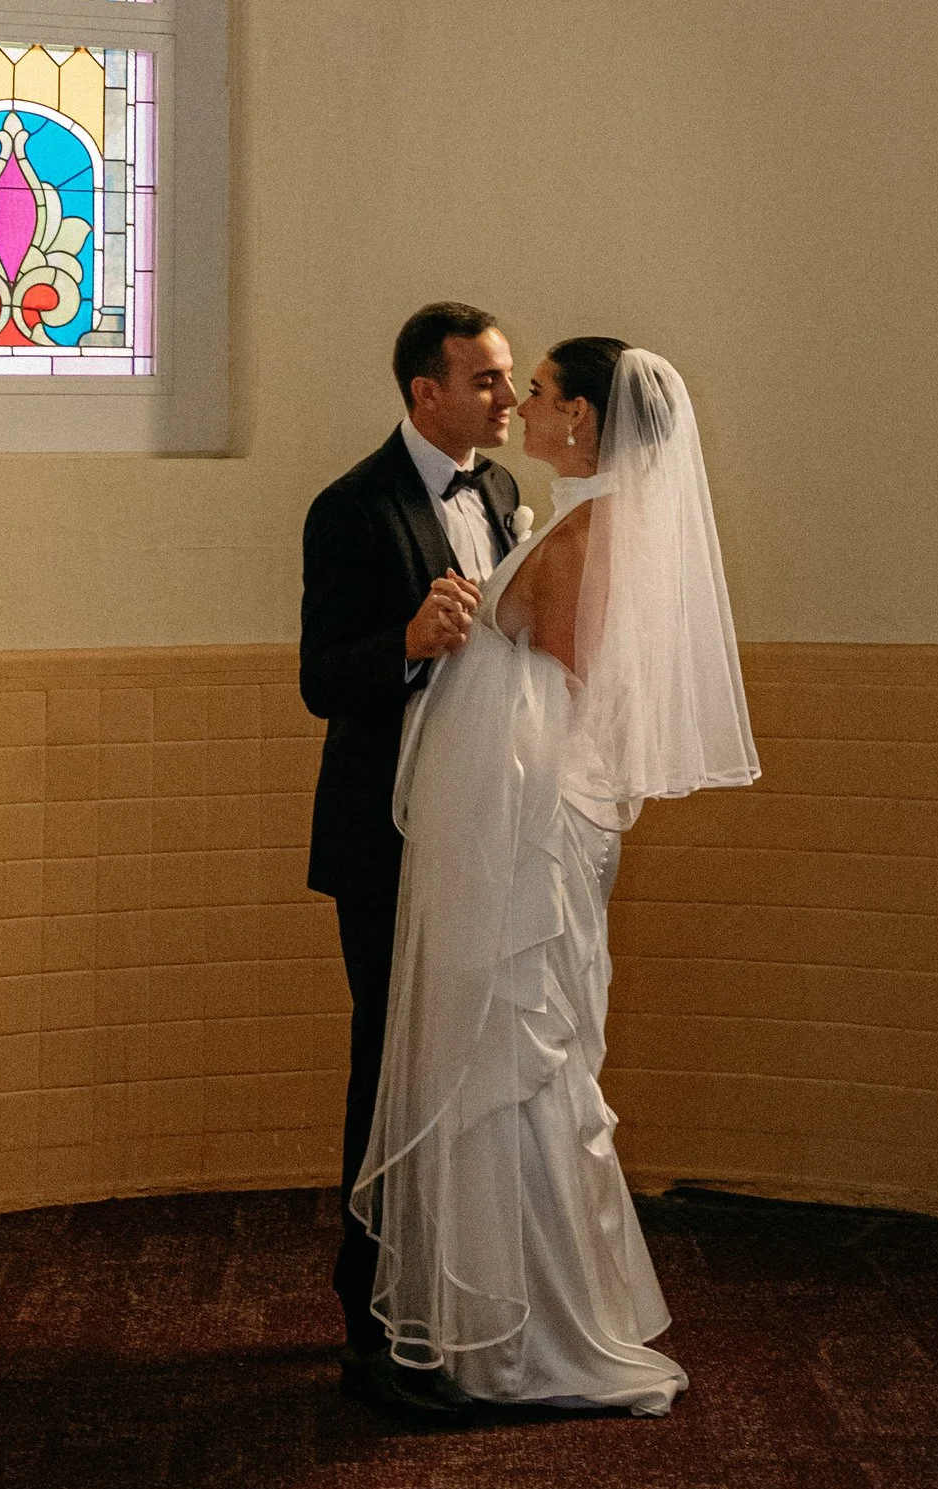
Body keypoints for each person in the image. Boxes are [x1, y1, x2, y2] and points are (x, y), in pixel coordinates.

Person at [352, 337, 761, 1417]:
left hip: (527, 832)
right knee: (506, 1055)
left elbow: (579, 696)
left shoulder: (596, 530)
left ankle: (527, 1335)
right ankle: (500, 1316)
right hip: (512, 824)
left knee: (518, 1057)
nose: (521, 402)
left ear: (579, 419)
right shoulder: (580, 518)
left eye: (535, 390)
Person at [300, 302, 522, 1396]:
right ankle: (370, 1297)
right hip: (385, 835)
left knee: (468, 1059)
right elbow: (316, 678)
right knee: (388, 1059)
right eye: (484, 380)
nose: (507, 399)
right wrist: (402, 642)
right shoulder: (350, 507)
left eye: (509, 377)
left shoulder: (502, 493)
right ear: (423, 391)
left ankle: (454, 1279)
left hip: (477, 829)